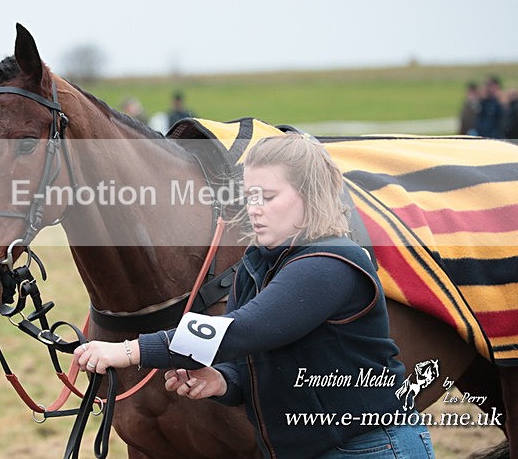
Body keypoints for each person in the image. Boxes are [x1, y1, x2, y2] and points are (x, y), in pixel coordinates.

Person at [74, 134, 434, 458]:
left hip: (370, 448)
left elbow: (239, 330)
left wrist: (127, 350)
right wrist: (224, 381)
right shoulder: (256, 265)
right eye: (249, 197)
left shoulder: (331, 262)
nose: (254, 208)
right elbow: (256, 358)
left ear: (309, 194)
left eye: (268, 196)